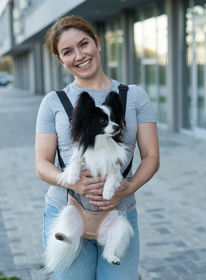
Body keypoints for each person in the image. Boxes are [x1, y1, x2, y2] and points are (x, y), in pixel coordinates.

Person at [35, 15, 160, 280]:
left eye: (84, 44)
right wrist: (73, 183)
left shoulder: (134, 96)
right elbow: (41, 164)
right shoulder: (53, 102)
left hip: (118, 212)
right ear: (61, 59)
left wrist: (129, 187)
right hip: (67, 213)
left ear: (98, 43)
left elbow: (151, 157)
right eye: (67, 51)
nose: (79, 55)